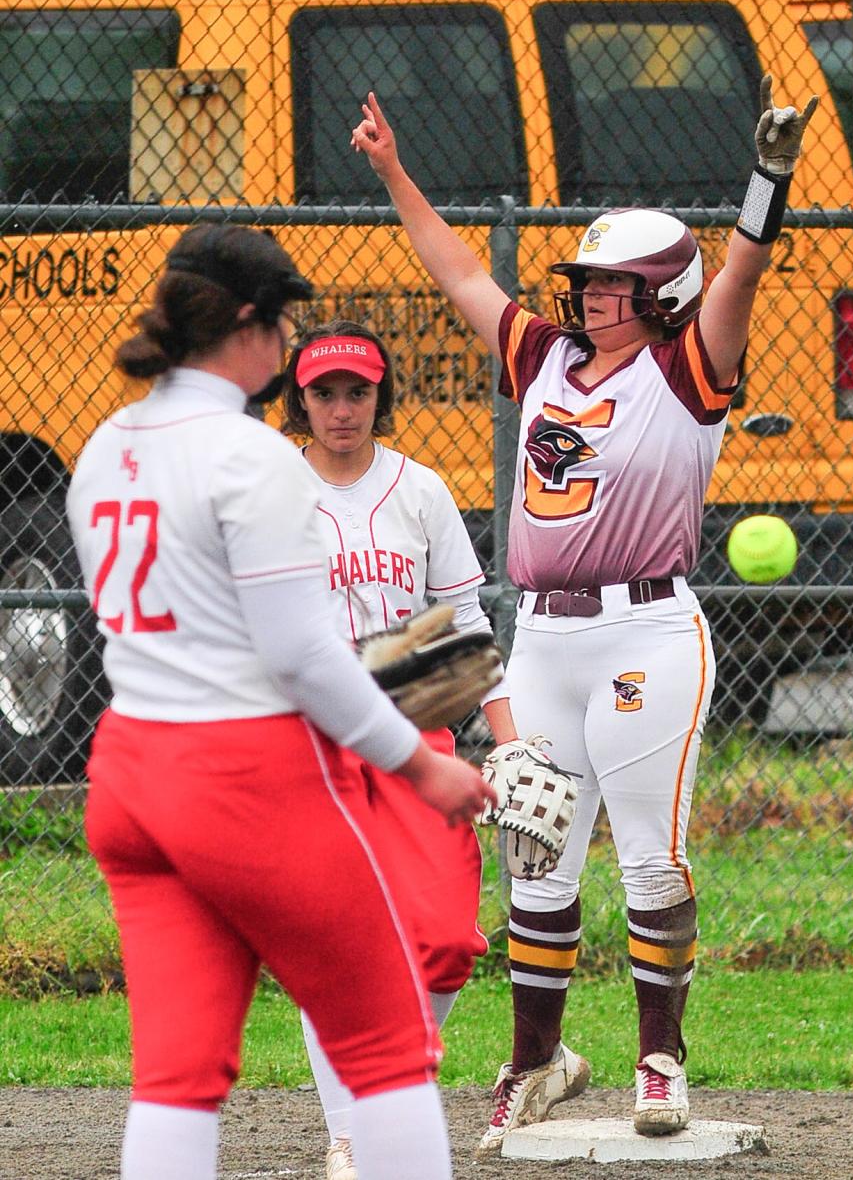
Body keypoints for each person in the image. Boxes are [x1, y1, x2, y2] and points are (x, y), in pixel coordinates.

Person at [350, 75, 818, 1153]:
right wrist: (394, 173)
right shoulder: (546, 358)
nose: (588, 295)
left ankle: (662, 1058)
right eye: (588, 279)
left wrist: (767, 183)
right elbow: (461, 268)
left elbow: (743, 272)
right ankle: (535, 1062)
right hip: (547, 637)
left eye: (612, 282)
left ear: (659, 293)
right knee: (538, 863)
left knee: (649, 857)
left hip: (647, 628)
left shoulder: (688, 365)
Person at [65, 222, 492, 1180]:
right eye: (283, 319)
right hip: (240, 772)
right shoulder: (251, 456)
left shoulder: (107, 444)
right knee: (388, 1046)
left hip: (130, 770)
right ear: (252, 327)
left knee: (176, 1076)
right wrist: (423, 762)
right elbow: (301, 655)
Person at [279, 318, 518, 1179]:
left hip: (419, 731)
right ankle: (351, 1129)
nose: (342, 408)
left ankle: (392, 1075)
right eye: (324, 392)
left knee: (449, 938)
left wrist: (510, 749)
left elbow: (466, 628)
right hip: (311, 743)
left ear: (382, 397)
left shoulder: (420, 492)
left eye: (358, 391)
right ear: (298, 399)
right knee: (338, 940)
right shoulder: (271, 494)